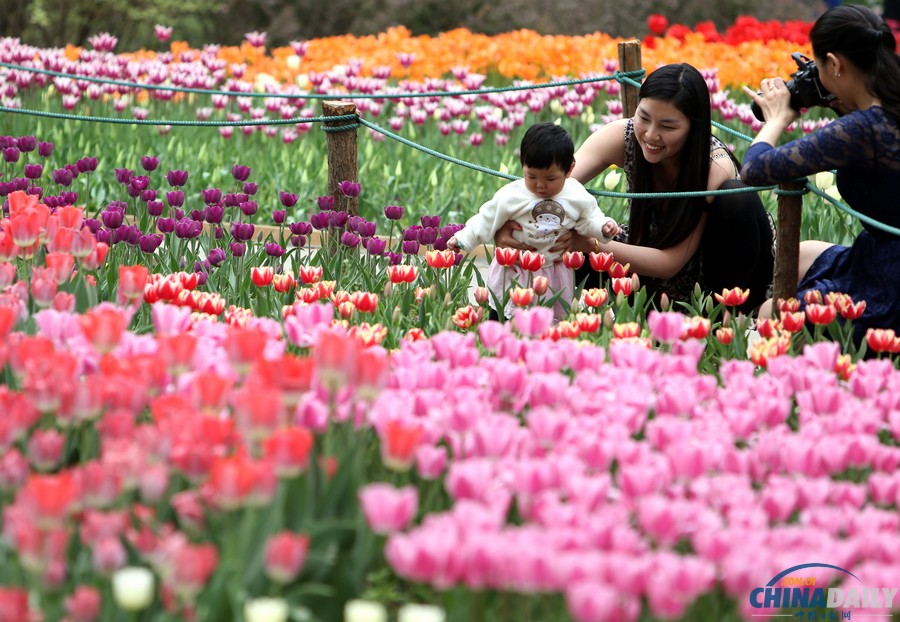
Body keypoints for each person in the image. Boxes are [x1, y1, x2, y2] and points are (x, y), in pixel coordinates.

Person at [495, 63, 776, 315]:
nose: (651, 135)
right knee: (558, 245)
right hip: (647, 262)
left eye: (667, 126)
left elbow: (670, 263)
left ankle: (720, 321)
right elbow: (549, 187)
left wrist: (589, 244)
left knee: (737, 197)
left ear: (694, 127)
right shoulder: (625, 136)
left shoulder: (712, 168)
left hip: (716, 275)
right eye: (644, 117)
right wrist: (507, 226)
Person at [742, 4, 900, 340]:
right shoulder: (886, 107)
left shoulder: (863, 129)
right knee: (803, 253)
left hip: (890, 285)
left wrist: (776, 119)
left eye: (819, 66)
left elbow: (754, 169)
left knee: (770, 314)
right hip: (878, 255)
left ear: (835, 64)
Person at [447, 122, 619, 320]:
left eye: (550, 179)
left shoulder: (576, 195)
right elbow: (486, 218)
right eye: (531, 176)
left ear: (570, 169)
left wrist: (603, 227)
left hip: (553, 270)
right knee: (503, 316)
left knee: (549, 322)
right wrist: (463, 239)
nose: (540, 186)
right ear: (522, 165)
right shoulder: (512, 195)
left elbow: (589, 219)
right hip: (514, 269)